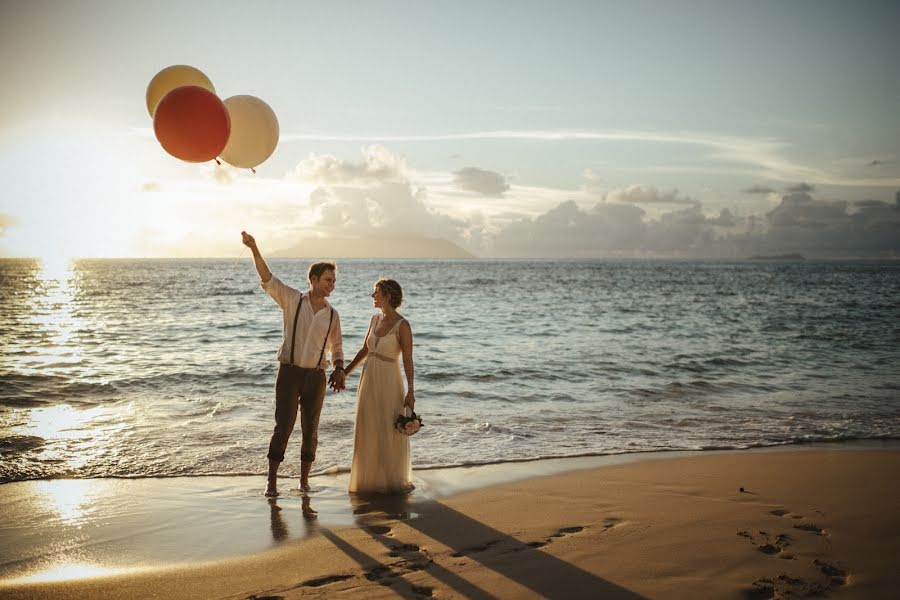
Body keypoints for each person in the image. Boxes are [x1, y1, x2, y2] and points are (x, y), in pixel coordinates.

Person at [241, 231, 346, 496]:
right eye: (327, 279)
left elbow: (337, 348)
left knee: (311, 429)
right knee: (283, 426)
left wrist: (340, 368)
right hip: (288, 374)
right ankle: (272, 481)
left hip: (316, 378)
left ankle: (303, 482)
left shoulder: (333, 315)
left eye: (333, 281)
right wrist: (254, 249)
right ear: (313, 279)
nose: (331, 285)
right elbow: (267, 278)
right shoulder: (291, 299)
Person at [345, 278, 416, 494]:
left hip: (389, 380)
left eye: (376, 292)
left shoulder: (403, 325)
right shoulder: (375, 319)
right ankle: (368, 480)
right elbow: (364, 350)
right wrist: (345, 372)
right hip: (368, 378)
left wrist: (411, 390)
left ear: (388, 296)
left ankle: (389, 480)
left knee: (387, 427)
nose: (372, 296)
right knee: (368, 426)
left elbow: (408, 360)